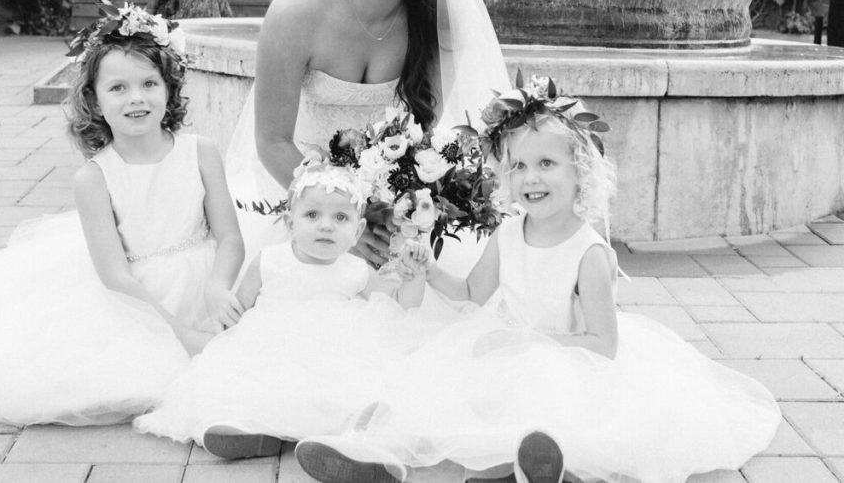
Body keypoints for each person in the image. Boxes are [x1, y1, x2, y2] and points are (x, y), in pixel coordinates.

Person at [295, 77, 781, 483]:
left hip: (566, 357)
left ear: (580, 171)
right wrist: (430, 271)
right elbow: (471, 295)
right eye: (520, 166)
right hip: (508, 346)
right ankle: (376, 455)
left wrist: (528, 342)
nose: (532, 178)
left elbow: (603, 346)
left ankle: (531, 462)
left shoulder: (588, 253)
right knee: (433, 385)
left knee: (547, 401)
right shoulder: (509, 232)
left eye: (547, 164)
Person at [0, 0, 244, 426]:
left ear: (169, 89)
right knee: (131, 375)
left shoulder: (202, 152)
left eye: (149, 83)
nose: (136, 98)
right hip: (137, 300)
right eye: (118, 88)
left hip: (204, 278)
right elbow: (115, 276)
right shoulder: (95, 178)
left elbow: (229, 237)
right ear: (95, 100)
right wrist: (179, 333)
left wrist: (218, 286)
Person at [225, 0, 509, 273]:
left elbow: (421, 136)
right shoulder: (297, 11)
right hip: (295, 188)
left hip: (385, 203)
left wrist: (395, 211)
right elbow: (272, 140)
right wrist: (340, 221)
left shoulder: (440, 19)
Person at [133, 158, 436, 456]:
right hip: (272, 351)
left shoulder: (356, 269)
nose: (326, 226)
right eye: (313, 215)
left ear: (357, 231)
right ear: (292, 223)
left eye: (340, 218)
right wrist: (225, 347)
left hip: (335, 354)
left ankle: (345, 435)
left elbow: (398, 305)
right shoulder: (269, 261)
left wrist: (415, 276)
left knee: (346, 387)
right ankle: (252, 432)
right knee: (251, 386)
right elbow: (238, 312)